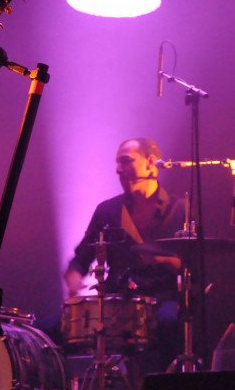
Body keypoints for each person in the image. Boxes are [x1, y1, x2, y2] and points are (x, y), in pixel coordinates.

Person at [65, 137, 186, 368]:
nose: (118, 169)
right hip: (117, 301)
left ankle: (164, 384)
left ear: (151, 163)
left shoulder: (180, 209)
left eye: (126, 161)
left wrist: (161, 258)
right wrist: (74, 278)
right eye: (117, 163)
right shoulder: (107, 211)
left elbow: (194, 264)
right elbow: (81, 259)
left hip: (163, 299)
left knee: (169, 323)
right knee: (49, 330)